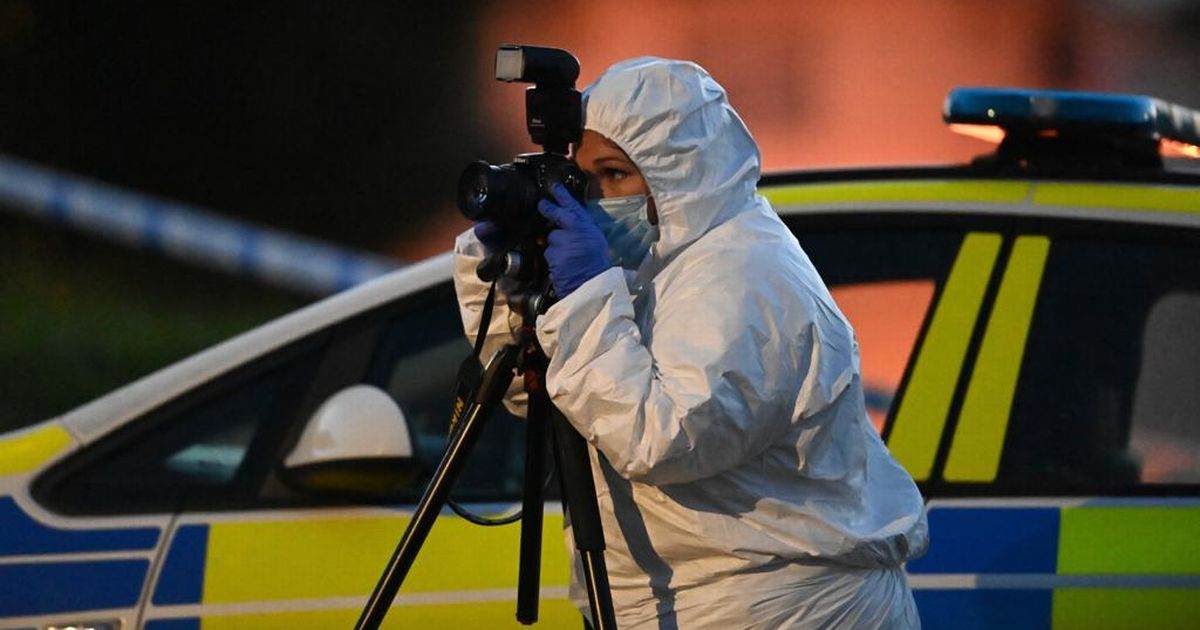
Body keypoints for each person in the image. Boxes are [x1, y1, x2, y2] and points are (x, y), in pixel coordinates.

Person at [453, 57, 928, 629]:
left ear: (679, 177)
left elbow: (660, 438)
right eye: (581, 177)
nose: (592, 199)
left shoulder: (746, 276)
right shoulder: (650, 264)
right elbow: (542, 397)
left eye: (614, 174)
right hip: (695, 597)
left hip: (773, 608)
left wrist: (584, 300)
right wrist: (508, 282)